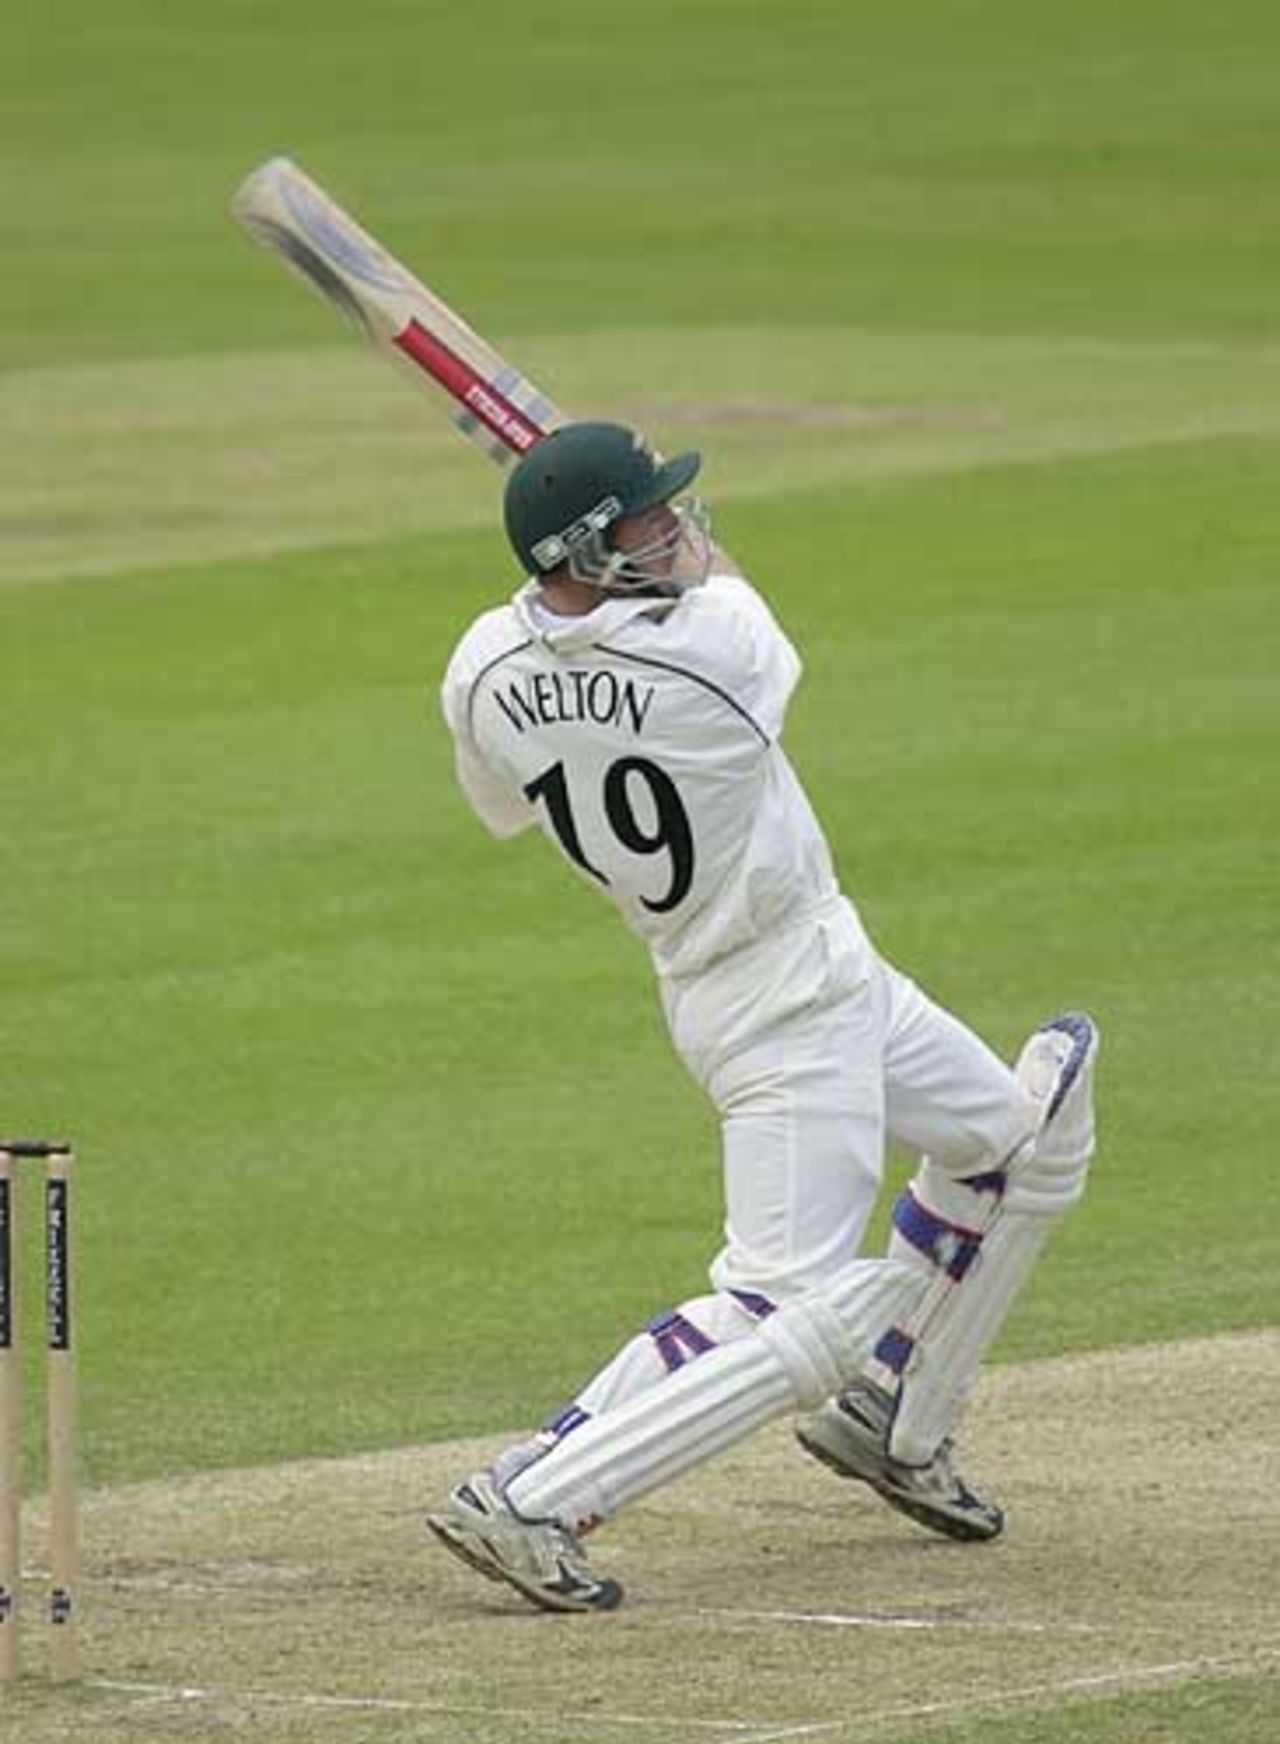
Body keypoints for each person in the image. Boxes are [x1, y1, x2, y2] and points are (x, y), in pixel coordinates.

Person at [428, 421, 1098, 1612]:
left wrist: (592, 564)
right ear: (591, 548)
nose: (676, 528)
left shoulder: (480, 670)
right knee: (779, 1306)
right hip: (784, 1001)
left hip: (774, 971)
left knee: (1009, 1145)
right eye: (646, 519)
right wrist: (647, 566)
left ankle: (892, 1415)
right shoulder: (718, 652)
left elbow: (512, 782)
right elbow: (721, 599)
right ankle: (537, 1489)